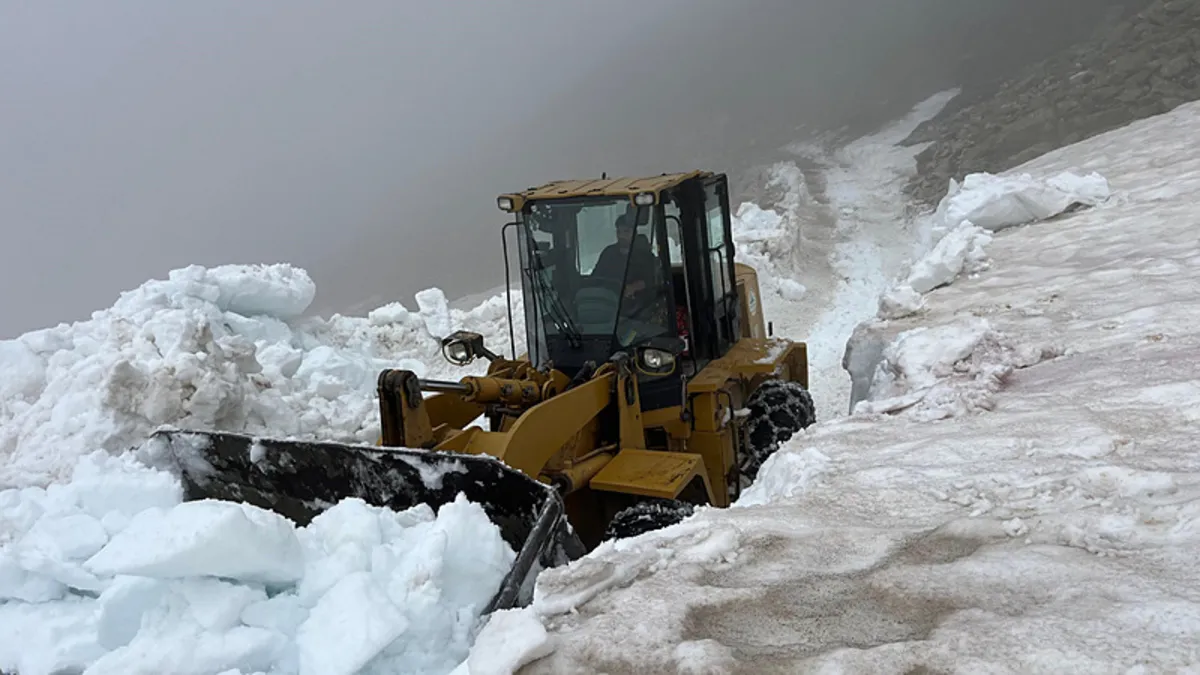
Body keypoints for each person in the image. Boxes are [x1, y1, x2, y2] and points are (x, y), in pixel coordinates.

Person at [591, 213, 660, 300]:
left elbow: (653, 280)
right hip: (609, 301)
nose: (621, 236)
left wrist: (634, 287)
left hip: (639, 306)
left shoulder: (645, 256)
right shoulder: (608, 253)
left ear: (635, 233)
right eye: (618, 232)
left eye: (626, 231)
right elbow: (596, 277)